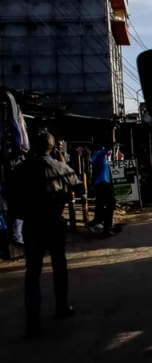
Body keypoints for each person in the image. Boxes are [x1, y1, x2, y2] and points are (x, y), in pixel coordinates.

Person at [12, 133, 83, 337]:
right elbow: (79, 187)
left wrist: (22, 213)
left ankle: (32, 321)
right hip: (53, 221)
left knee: (32, 272)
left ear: (34, 146)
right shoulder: (60, 167)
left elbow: (8, 194)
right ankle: (62, 307)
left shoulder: (21, 168)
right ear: (52, 147)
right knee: (59, 264)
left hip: (32, 224)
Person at [90, 144, 116, 238]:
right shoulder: (100, 154)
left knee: (101, 205)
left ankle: (97, 222)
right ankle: (106, 228)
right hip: (104, 183)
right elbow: (106, 149)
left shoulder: (94, 156)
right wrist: (110, 144)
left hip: (99, 183)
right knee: (110, 204)